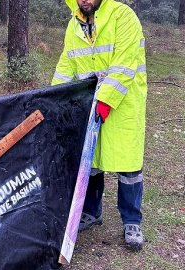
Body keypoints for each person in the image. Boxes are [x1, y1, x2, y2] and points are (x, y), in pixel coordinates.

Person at [51, 0, 147, 250]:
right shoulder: (74, 25)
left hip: (123, 102)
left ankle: (132, 220)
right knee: (90, 159)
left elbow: (125, 65)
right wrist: (52, 98)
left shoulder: (122, 16)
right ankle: (92, 211)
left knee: (128, 164)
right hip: (89, 104)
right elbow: (67, 64)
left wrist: (106, 101)